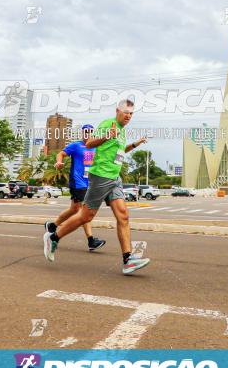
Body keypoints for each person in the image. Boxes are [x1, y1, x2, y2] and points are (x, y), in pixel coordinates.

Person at [43, 99, 150, 275]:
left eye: (131, 113)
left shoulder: (122, 131)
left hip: (114, 177)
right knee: (85, 216)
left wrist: (136, 144)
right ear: (117, 111)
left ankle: (128, 260)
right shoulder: (108, 124)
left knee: (123, 215)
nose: (128, 116)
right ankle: (53, 238)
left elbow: (120, 151)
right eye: (126, 112)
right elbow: (90, 143)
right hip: (101, 176)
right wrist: (107, 135)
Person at [45, 124, 106, 251]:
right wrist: (59, 162)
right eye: (85, 132)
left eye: (90, 132)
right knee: (84, 211)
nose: (87, 134)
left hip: (89, 183)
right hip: (77, 182)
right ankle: (91, 240)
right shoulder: (76, 145)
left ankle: (52, 226)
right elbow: (61, 153)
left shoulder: (96, 147)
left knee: (74, 209)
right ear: (82, 133)